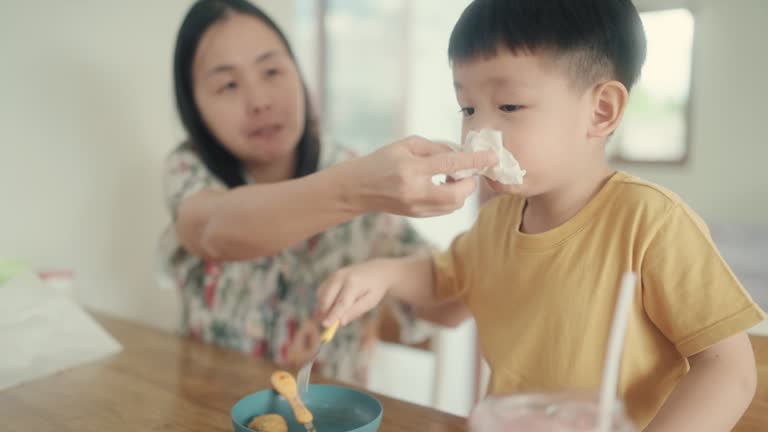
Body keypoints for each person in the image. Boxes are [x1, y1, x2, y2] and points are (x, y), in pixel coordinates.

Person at [316, 0, 767, 429]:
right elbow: (444, 280)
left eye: (509, 106)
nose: (478, 131)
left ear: (601, 110)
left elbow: (729, 369)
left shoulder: (651, 222)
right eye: (467, 108)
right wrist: (381, 274)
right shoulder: (496, 221)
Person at [157, 0, 493, 386]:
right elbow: (212, 232)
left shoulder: (353, 167)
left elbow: (447, 306)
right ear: (193, 106)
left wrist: (512, 219)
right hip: (205, 411)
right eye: (228, 84)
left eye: (271, 71)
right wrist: (359, 189)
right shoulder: (189, 169)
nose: (260, 101)